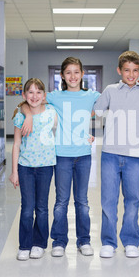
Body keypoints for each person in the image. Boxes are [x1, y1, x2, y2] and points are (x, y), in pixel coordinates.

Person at [21, 57, 99, 257]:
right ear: (62, 76)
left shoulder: (92, 95)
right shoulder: (55, 96)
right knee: (61, 201)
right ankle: (59, 241)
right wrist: (28, 115)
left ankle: (84, 241)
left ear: (82, 74)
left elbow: (116, 98)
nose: (73, 76)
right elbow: (29, 101)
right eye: (68, 72)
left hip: (83, 156)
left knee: (82, 201)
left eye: (76, 72)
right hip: (62, 156)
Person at [93, 51, 139, 258]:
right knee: (108, 200)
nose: (131, 75)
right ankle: (108, 242)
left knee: (132, 199)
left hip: (134, 155)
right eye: (126, 70)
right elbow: (96, 111)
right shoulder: (110, 90)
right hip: (111, 154)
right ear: (119, 71)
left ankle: (131, 241)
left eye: (134, 71)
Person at [9, 78, 58, 261]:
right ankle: (25, 245)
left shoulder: (51, 112)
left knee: (42, 207)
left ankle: (39, 244)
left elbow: (67, 127)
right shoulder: (20, 116)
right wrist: (14, 171)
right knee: (27, 208)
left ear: (44, 96)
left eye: (39, 92)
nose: (34, 96)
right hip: (25, 167)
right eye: (30, 92)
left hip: (46, 166)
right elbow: (16, 144)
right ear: (24, 95)